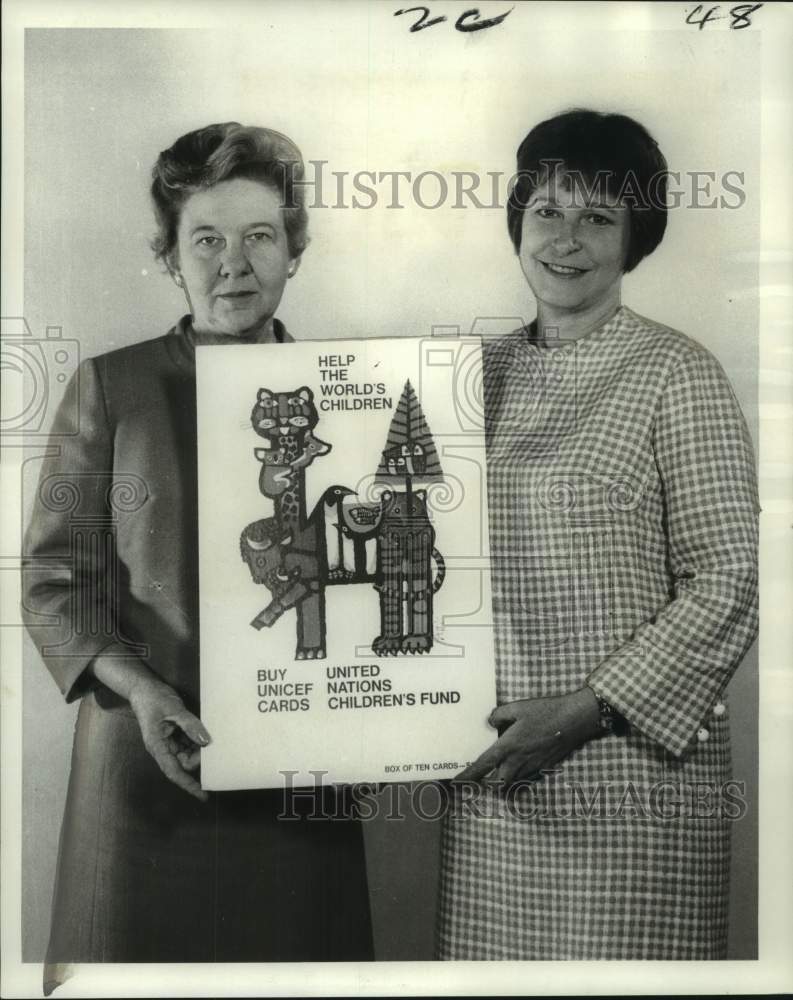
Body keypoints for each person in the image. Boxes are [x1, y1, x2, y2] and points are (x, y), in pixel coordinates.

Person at [22, 122, 373, 976]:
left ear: (296, 249)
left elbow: (375, 584)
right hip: (142, 779)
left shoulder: (357, 393)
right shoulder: (112, 387)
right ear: (169, 256)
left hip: (300, 781)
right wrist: (142, 691)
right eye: (205, 239)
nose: (233, 263)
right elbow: (54, 580)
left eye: (259, 236)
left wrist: (391, 719)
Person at [436, 109, 759, 960]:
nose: (566, 240)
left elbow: (730, 579)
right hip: (495, 784)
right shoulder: (466, 380)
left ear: (633, 239)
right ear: (517, 222)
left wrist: (583, 711)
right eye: (547, 210)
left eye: (597, 217)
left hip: (627, 783)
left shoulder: (677, 371)